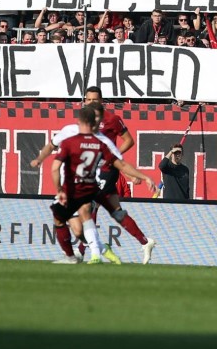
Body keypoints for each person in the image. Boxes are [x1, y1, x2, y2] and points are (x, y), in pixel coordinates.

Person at [32, 88, 157, 263]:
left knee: (87, 208)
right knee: (113, 212)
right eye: (88, 100)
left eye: (95, 100)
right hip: (92, 173)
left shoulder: (110, 122)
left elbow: (126, 144)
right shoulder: (76, 129)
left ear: (102, 101)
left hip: (104, 172)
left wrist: (113, 162)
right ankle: (143, 241)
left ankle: (91, 252)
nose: (91, 103)